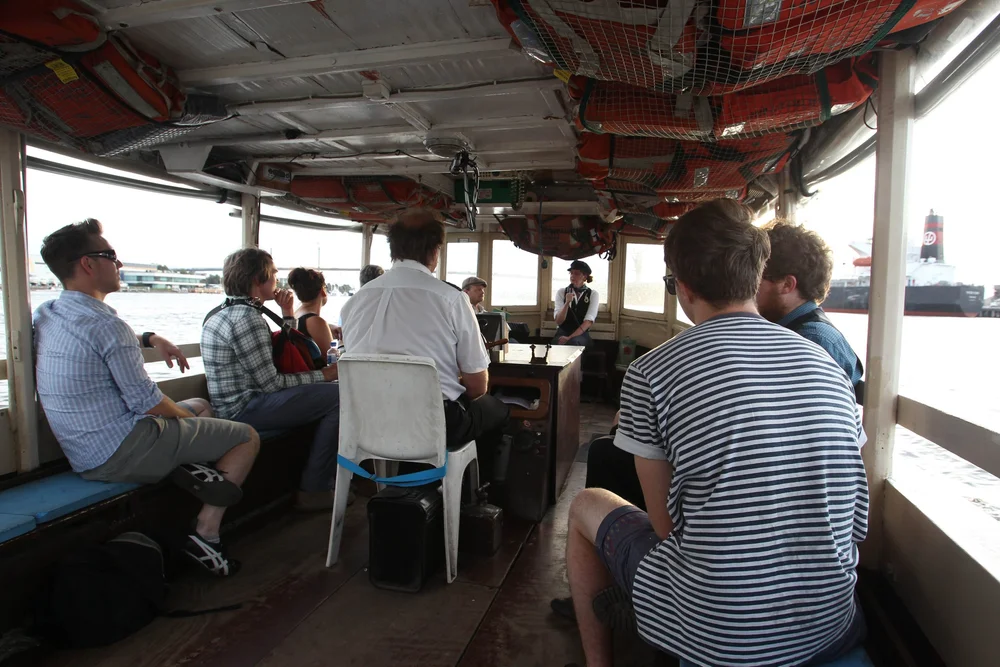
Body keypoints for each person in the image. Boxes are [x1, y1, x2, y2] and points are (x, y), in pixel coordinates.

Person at [564, 200, 868, 667]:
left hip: (723, 636)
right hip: (832, 621)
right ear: (755, 274)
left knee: (586, 505)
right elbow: (854, 515)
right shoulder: (827, 364)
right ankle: (643, 609)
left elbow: (667, 530)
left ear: (682, 288)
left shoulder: (651, 372)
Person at [34, 219, 259, 577]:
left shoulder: (47, 313)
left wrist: (149, 336)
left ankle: (183, 465)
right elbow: (150, 403)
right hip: (121, 450)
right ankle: (207, 532)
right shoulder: (109, 326)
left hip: (83, 451)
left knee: (201, 405)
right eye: (110, 255)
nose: (118, 264)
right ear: (88, 265)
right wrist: (188, 424)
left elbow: (93, 340)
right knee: (245, 436)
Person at [340, 210, 509, 473]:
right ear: (435, 251)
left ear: (393, 249)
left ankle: (414, 488)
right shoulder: (451, 299)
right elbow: (477, 387)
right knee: (497, 412)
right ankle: (475, 495)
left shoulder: (355, 301)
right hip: (432, 424)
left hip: (368, 422)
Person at [201, 248, 342, 511]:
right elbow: (272, 385)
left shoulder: (221, 312)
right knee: (339, 398)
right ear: (258, 279)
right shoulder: (248, 319)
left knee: (328, 392)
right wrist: (324, 374)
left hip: (236, 403)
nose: (277, 280)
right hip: (245, 409)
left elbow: (277, 352)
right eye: (273, 274)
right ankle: (315, 487)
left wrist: (287, 312)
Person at [757, 220, 865, 399]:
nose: (748, 287)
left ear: (787, 284)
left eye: (756, 278)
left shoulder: (814, 340)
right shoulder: (799, 331)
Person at [288, 267, 343, 354]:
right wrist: (341, 343)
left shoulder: (297, 314)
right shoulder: (316, 322)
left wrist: (328, 327)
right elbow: (332, 361)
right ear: (323, 291)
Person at [553, 260, 599, 346]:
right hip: (563, 331)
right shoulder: (562, 292)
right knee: (557, 344)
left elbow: (588, 322)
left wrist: (569, 337)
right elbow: (559, 321)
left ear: (585, 277)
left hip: (581, 333)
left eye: (577, 273)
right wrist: (567, 303)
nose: (572, 276)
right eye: (571, 273)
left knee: (573, 343)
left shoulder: (592, 294)